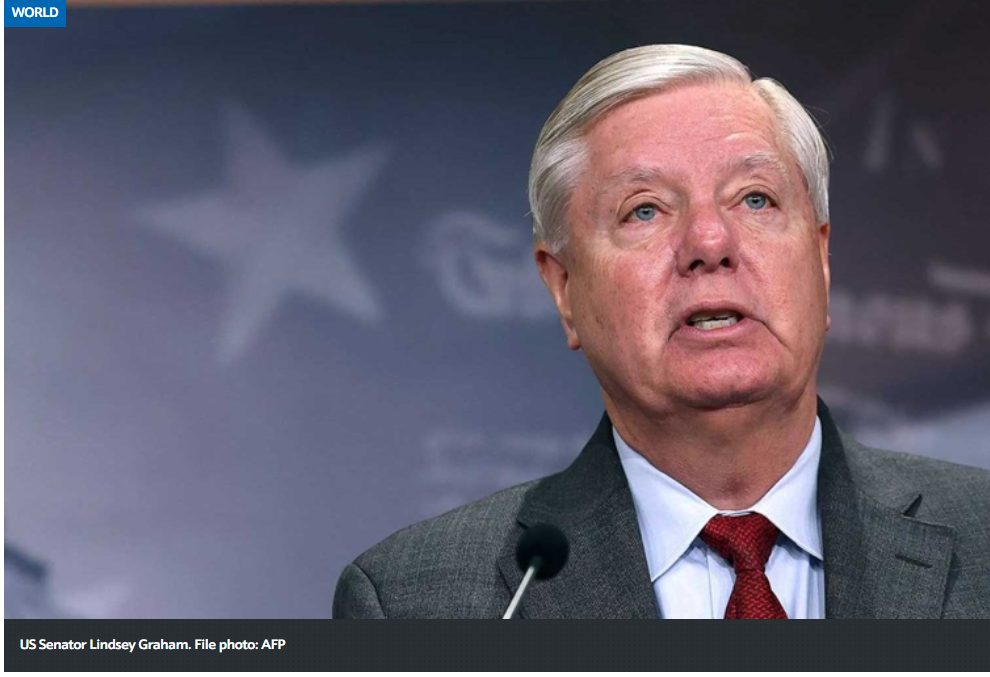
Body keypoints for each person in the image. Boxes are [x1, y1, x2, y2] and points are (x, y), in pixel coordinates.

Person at [333, 45, 990, 619]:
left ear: (820, 259)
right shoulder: (420, 603)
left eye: (755, 198)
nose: (710, 242)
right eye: (644, 210)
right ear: (563, 289)